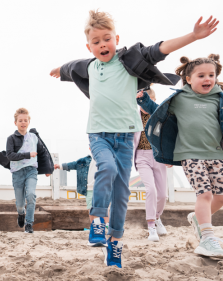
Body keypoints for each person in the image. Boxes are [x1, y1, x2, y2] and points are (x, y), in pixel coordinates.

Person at [50, 9, 218, 267]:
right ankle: (97, 220)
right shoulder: (88, 66)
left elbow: (158, 49)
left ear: (116, 39)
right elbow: (70, 67)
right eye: (96, 42)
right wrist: (59, 70)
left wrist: (193, 36)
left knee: (121, 192)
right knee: (105, 167)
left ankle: (115, 244)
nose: (102, 44)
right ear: (89, 46)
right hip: (98, 134)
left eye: (107, 38)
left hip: (126, 135)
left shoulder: (128, 61)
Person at [137, 54, 223, 257]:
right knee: (205, 194)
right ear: (188, 79)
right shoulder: (180, 98)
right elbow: (158, 112)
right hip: (190, 154)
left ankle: (197, 218)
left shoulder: (219, 98)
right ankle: (208, 238)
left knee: (220, 197)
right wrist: (145, 100)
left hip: (217, 154)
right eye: (201, 75)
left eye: (211, 75)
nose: (207, 79)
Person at [0, 108, 53, 234]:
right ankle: (21, 213)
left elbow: (43, 153)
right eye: (20, 120)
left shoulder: (34, 137)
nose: (23, 122)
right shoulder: (11, 138)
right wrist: (27, 155)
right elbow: (10, 156)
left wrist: (49, 169)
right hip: (17, 172)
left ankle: (29, 223)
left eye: (25, 120)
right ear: (15, 122)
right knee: (20, 203)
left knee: (31, 195)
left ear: (29, 122)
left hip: (31, 170)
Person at [133, 87, 168, 242]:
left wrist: (169, 156)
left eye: (149, 102)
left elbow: (168, 136)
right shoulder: (134, 116)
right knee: (151, 189)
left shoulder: (160, 115)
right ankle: (151, 226)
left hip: (158, 156)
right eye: (141, 102)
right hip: (141, 156)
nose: (145, 105)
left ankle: (157, 217)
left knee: (162, 195)